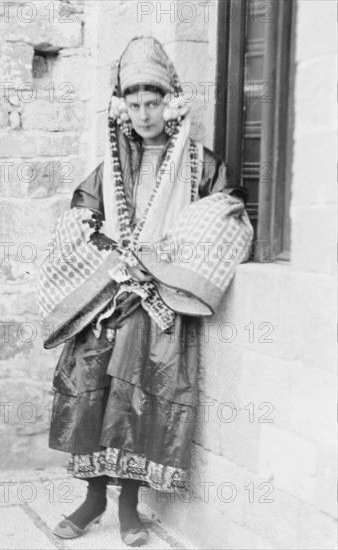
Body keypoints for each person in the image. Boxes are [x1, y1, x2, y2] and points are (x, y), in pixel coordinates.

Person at [41, 36, 249, 547]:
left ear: (170, 102)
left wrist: (160, 268)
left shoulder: (201, 164)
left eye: (152, 102)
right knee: (90, 389)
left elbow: (226, 217)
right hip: (107, 298)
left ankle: (130, 507)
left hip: (157, 305)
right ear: (122, 107)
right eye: (133, 104)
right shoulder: (111, 165)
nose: (142, 114)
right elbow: (82, 219)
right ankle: (93, 499)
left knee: (138, 398)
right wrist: (113, 267)